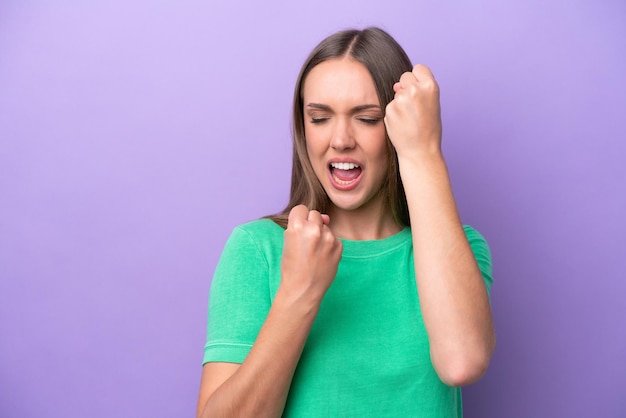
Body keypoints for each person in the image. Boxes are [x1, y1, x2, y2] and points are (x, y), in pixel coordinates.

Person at [196, 27, 495, 417]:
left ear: (398, 125)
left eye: (367, 118)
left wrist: (422, 152)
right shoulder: (258, 249)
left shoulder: (459, 248)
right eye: (319, 118)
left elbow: (462, 362)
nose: (340, 140)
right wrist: (298, 294)